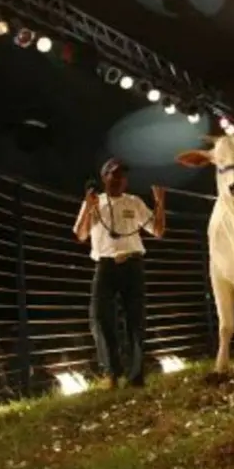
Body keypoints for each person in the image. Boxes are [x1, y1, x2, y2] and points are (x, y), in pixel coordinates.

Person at [72, 158, 166, 389]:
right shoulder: (94, 202)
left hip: (133, 265)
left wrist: (160, 203)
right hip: (105, 265)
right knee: (100, 319)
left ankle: (136, 376)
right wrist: (89, 208)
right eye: (114, 174)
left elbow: (158, 231)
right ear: (105, 177)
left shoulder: (134, 202)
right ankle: (112, 372)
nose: (119, 179)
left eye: (122, 175)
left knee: (136, 321)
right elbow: (81, 235)